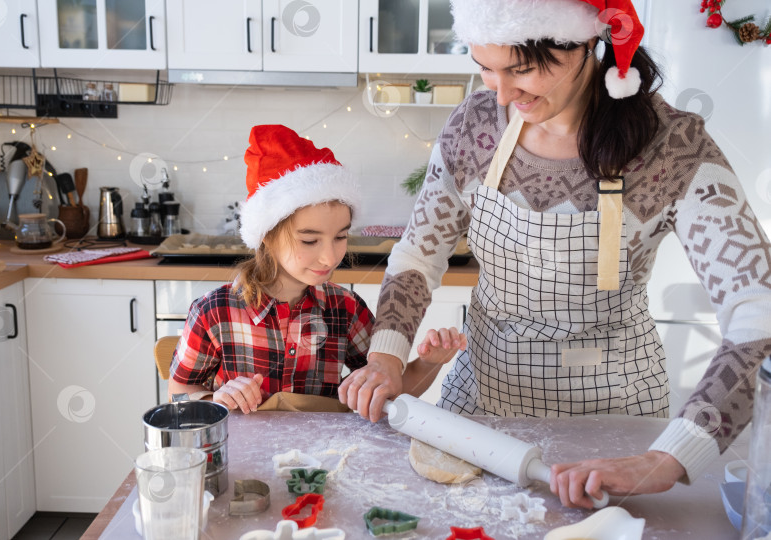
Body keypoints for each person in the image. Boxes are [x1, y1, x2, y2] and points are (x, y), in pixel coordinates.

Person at [339, 0, 771, 509]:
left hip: (615, 418)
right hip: (482, 409)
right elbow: (417, 255)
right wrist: (388, 356)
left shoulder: (672, 147)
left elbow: (757, 310)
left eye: (521, 70)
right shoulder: (475, 125)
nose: (500, 93)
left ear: (588, 43)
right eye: (484, 67)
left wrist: (673, 457)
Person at [169, 124, 466, 413]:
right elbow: (179, 394)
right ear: (267, 237)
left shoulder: (345, 310)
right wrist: (215, 398)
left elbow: (388, 392)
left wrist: (430, 363)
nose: (329, 257)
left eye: (340, 237)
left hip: (324, 462)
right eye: (310, 240)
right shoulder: (214, 312)